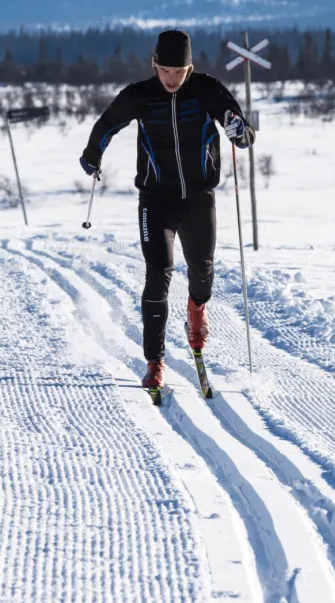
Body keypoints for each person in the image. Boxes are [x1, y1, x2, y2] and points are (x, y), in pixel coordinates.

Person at [79, 29, 256, 397]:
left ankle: (196, 309)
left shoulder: (207, 89)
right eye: (164, 71)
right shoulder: (140, 95)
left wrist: (240, 133)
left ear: (189, 67)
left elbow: (239, 128)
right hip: (155, 199)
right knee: (158, 271)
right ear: (155, 65)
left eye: (178, 72)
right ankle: (154, 363)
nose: (171, 79)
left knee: (202, 269)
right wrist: (92, 154)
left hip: (198, 198)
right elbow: (107, 122)